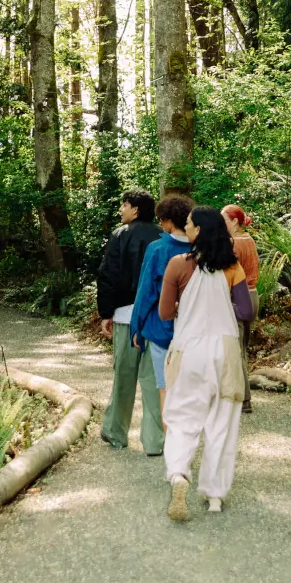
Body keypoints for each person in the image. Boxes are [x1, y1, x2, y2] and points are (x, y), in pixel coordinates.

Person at [158, 206, 254, 520]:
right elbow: (246, 312)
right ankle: (214, 495)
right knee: (221, 424)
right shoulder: (232, 267)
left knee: (182, 419)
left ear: (198, 230)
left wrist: (185, 308)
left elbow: (165, 313)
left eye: (188, 223)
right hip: (224, 352)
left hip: (188, 351)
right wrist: (221, 306)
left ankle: (178, 474)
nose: (185, 226)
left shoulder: (178, 264)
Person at [95, 189, 163, 452]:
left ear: (135, 209)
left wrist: (106, 313)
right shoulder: (162, 235)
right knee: (153, 378)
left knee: (124, 374)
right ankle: (155, 440)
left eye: (124, 205)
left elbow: (108, 275)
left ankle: (116, 433)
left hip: (125, 314)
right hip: (155, 316)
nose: (121, 209)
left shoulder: (120, 235)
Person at [129, 192, 194, 447]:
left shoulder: (157, 249)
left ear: (167, 221)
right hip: (193, 330)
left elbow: (145, 292)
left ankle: (173, 448)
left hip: (161, 328)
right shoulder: (200, 249)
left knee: (165, 389)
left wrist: (136, 327)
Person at [222, 205, 261, 412]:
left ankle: (244, 399)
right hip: (253, 295)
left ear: (234, 222)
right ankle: (242, 396)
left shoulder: (233, 243)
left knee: (235, 350)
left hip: (238, 297)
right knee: (242, 349)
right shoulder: (250, 240)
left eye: (224, 220)